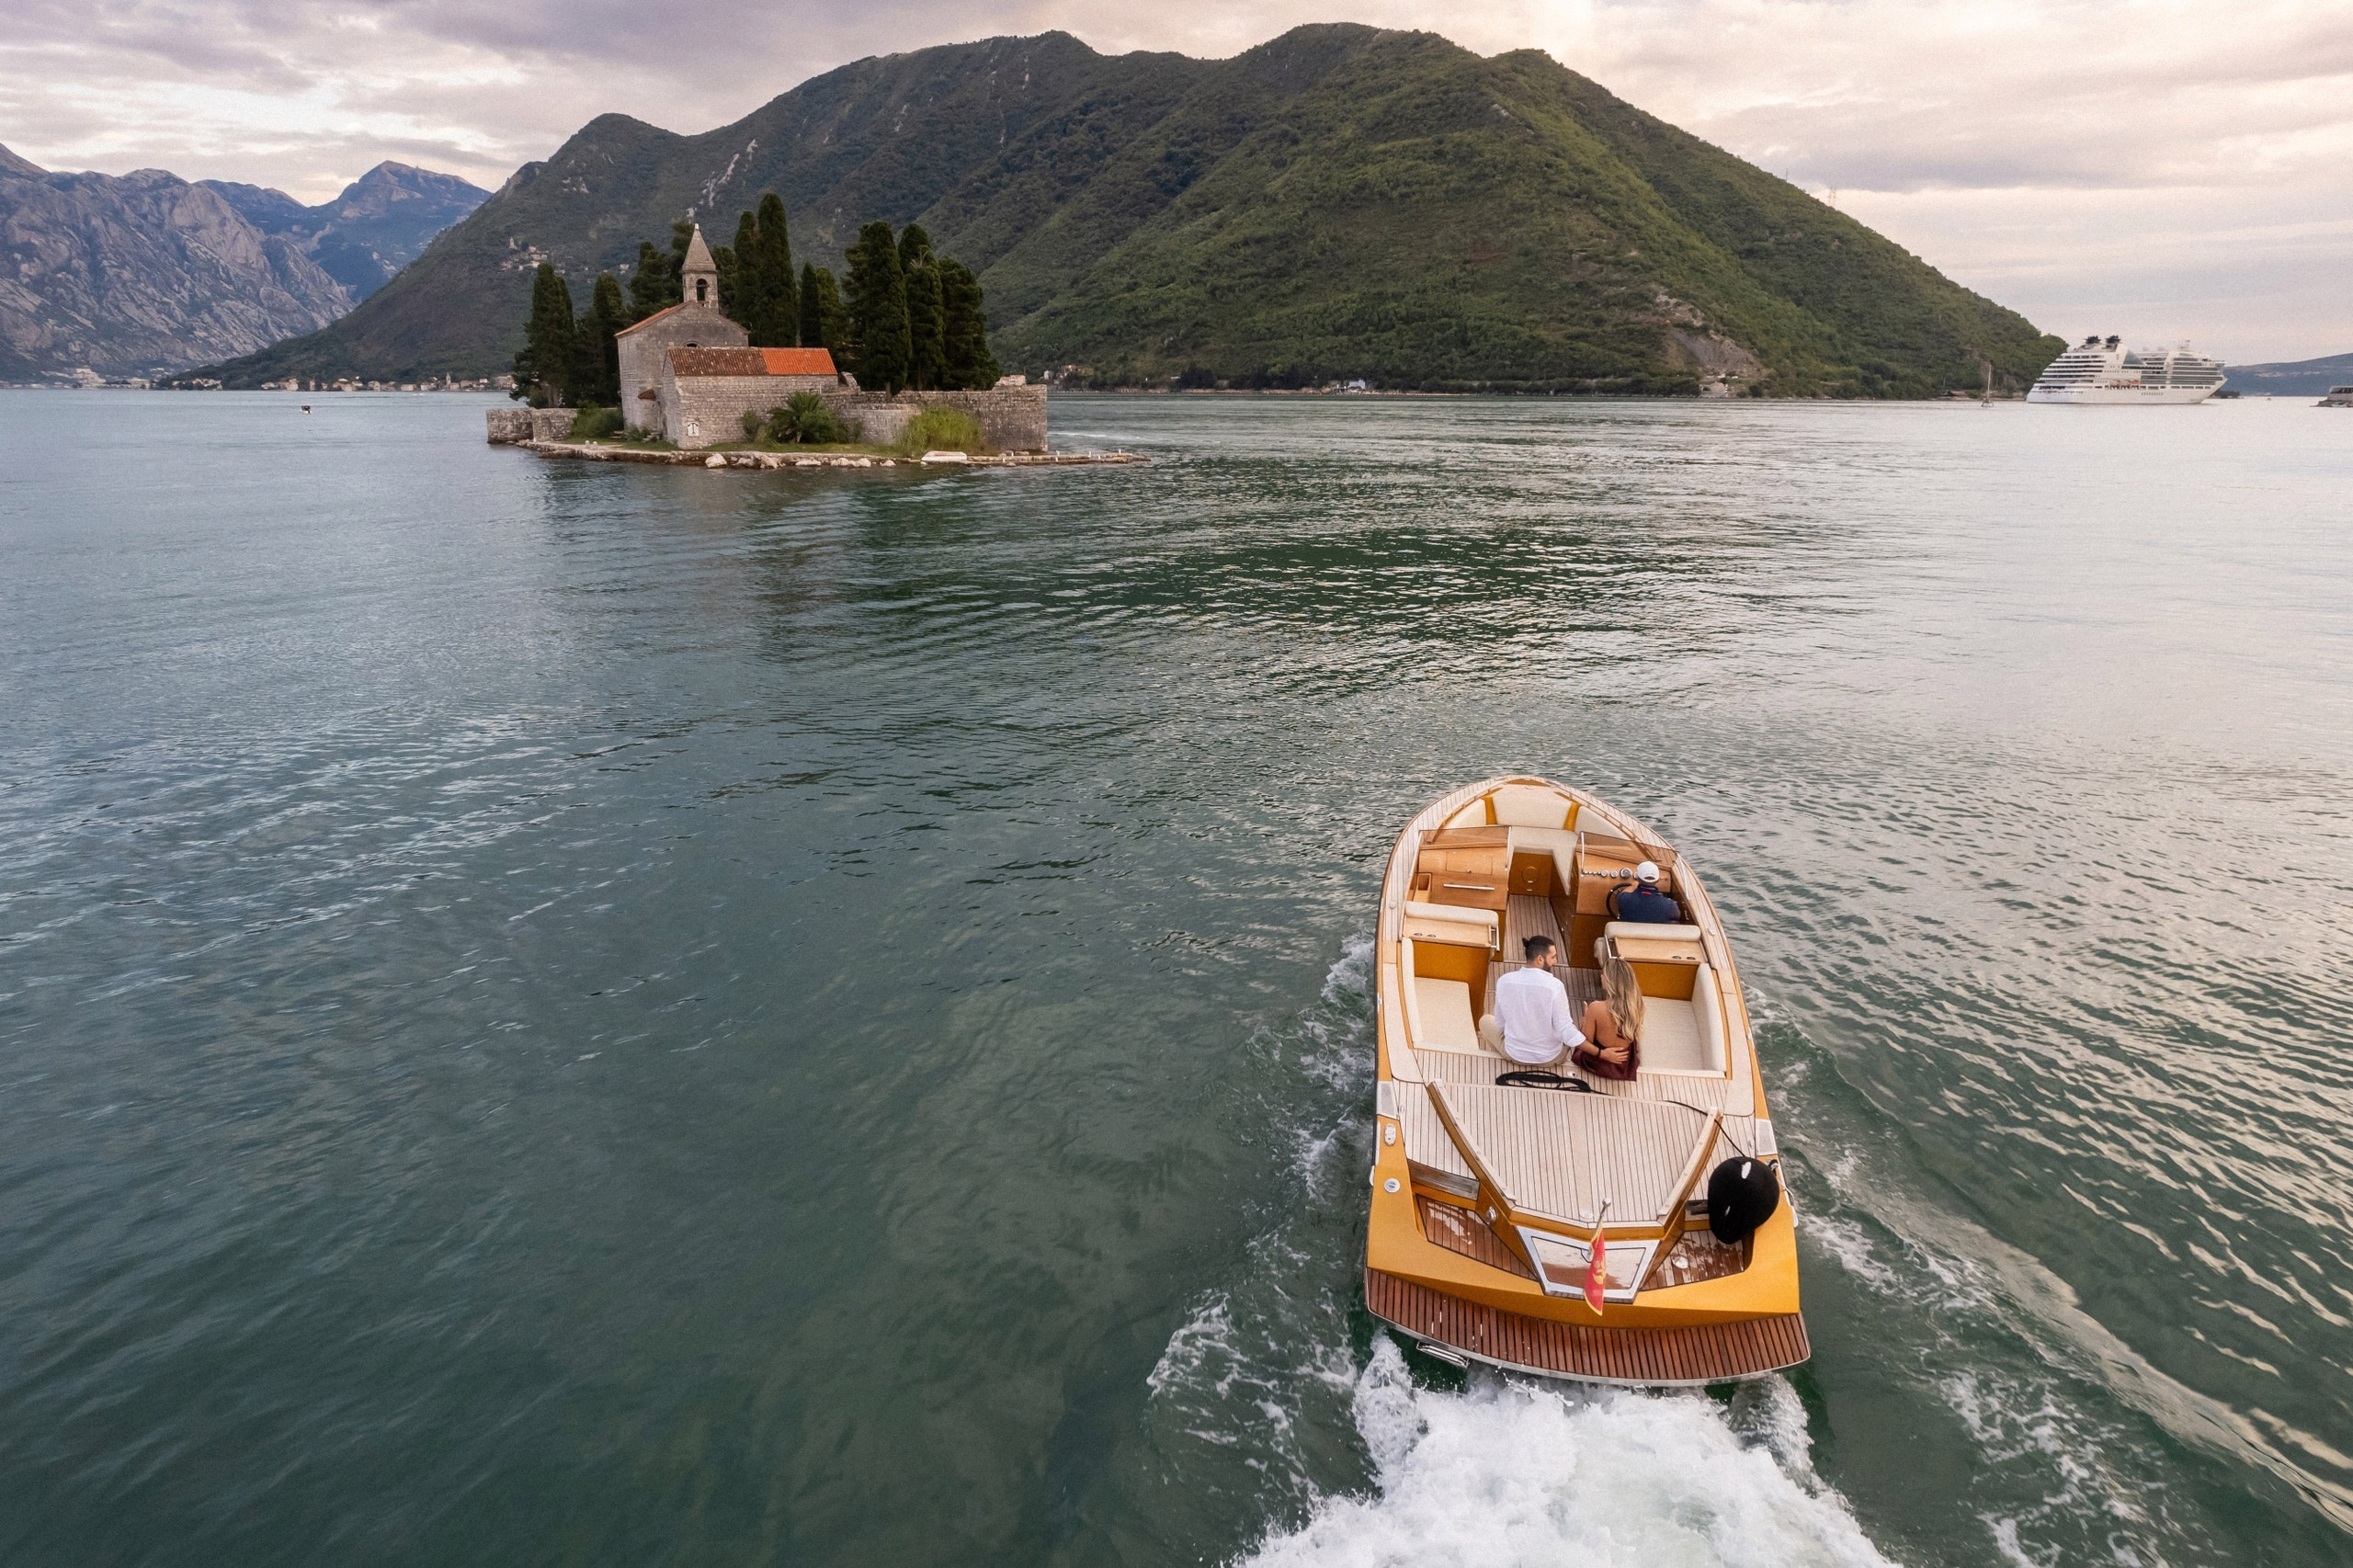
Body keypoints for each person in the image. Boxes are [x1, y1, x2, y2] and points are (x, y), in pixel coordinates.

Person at [1489, 935, 1586, 1067]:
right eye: (1553, 957)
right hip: (1549, 1059)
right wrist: (1600, 1053)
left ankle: (1503, 1062)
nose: (1555, 961)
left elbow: (1500, 1024)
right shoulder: (1555, 986)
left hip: (1514, 1054)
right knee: (1570, 1027)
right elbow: (1566, 1031)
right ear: (1540, 959)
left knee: (1485, 1021)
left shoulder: (1504, 981)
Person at [1574, 952, 1644, 1081]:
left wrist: (1585, 1019)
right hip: (1623, 1065)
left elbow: (1585, 1043)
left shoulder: (1596, 1008)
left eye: (1604, 975)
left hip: (1599, 1064)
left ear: (1611, 981)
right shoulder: (1636, 1005)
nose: (1601, 977)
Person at [1607, 860, 1682, 925]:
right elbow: (1677, 916)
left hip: (1630, 937)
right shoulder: (1670, 906)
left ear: (1638, 879)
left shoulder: (1624, 900)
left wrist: (1633, 886)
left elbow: (1622, 894)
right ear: (1657, 880)